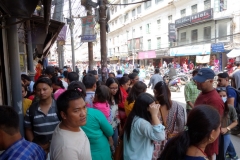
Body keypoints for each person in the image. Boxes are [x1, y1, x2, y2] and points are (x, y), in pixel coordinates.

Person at [50, 89, 91, 160]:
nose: (83, 113)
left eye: (84, 107)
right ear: (64, 115)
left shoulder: (72, 125)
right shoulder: (66, 149)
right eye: (76, 110)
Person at [193, 68, 224, 159]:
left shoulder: (214, 100)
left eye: (201, 81)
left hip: (206, 145)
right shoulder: (203, 93)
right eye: (197, 80)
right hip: (198, 141)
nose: (197, 83)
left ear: (211, 81)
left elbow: (213, 125)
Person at [124, 93, 165, 160]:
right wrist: (154, 115)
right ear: (145, 108)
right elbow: (160, 136)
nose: (155, 107)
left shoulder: (133, 116)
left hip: (131, 156)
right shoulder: (142, 123)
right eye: (153, 106)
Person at [153, 81, 185, 159]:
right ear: (169, 92)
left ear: (155, 92)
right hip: (171, 143)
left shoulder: (152, 107)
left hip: (155, 145)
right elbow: (182, 127)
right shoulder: (178, 107)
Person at [24, 78, 60, 142]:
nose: (41, 92)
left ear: (51, 89)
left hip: (58, 147)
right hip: (40, 149)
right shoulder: (31, 110)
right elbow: (28, 129)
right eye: (38, 90)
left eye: (44, 89)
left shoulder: (59, 107)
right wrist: (35, 145)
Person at [216, 87, 239, 159]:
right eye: (220, 96)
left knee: (222, 153)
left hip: (225, 135)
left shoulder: (230, 108)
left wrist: (227, 128)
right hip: (214, 136)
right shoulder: (212, 107)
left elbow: (235, 122)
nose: (222, 98)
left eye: (224, 96)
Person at [106, 77, 121, 149]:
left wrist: (119, 125)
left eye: (116, 88)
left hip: (115, 127)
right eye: (112, 88)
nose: (115, 90)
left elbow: (116, 113)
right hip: (107, 129)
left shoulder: (115, 98)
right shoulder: (104, 100)